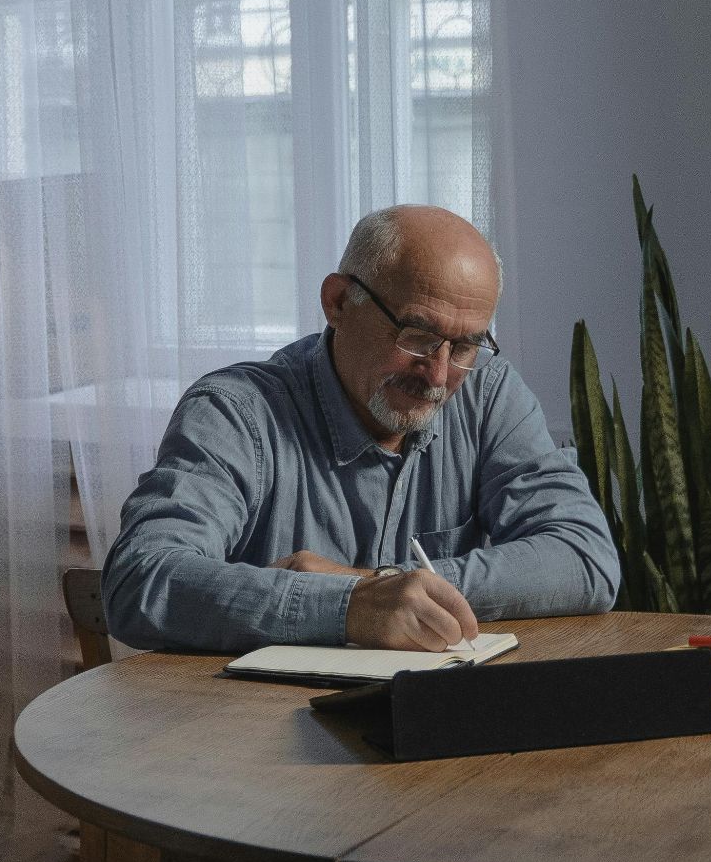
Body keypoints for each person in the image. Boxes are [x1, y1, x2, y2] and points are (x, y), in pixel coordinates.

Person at [103, 205, 619, 656]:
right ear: (337, 302)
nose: (439, 376)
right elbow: (140, 579)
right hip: (256, 741)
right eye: (417, 335)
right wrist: (350, 610)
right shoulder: (235, 413)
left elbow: (585, 557)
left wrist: (379, 587)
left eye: (464, 347)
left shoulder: (487, 392)